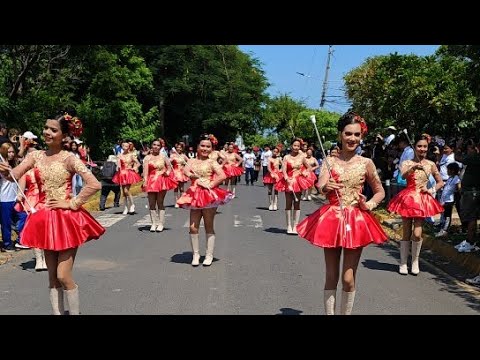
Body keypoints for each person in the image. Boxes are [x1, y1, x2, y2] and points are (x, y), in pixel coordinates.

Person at [0, 113, 105, 315]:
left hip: (67, 221)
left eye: (53, 129)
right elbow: (15, 175)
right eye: (46, 128)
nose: (47, 132)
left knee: (64, 275)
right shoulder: (35, 156)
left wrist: (72, 203)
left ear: (64, 135)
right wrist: (6, 171)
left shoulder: (70, 159)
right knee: (52, 277)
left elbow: (94, 184)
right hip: (46, 219)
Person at [296, 112, 388, 315]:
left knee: (348, 278)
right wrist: (325, 187)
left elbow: (380, 192)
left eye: (356, 134)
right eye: (348, 134)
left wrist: (369, 205)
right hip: (331, 219)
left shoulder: (366, 163)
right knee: (331, 275)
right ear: (341, 135)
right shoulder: (331, 161)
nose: (352, 138)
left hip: (355, 220)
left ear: (361, 136)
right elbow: (319, 184)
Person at [388, 134, 444, 276]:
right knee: (406, 231)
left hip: (422, 200)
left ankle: (415, 261)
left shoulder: (431, 164)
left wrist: (431, 190)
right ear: (415, 147)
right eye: (419, 146)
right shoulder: (407, 162)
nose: (422, 149)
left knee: (417, 233)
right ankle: (402, 262)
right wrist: (413, 168)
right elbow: (403, 176)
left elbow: (440, 182)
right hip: (408, 198)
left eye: (424, 146)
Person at [177, 134, 232, 266]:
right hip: (194, 194)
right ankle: (195, 255)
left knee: (208, 225)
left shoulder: (212, 162)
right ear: (197, 147)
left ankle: (209, 255)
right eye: (202, 146)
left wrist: (210, 184)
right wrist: (193, 176)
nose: (205, 148)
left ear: (211, 149)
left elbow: (222, 175)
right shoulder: (191, 161)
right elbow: (185, 170)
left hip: (208, 194)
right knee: (193, 227)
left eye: (208, 146)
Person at [275, 138, 315, 234]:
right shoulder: (286, 157)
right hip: (288, 181)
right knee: (288, 203)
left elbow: (309, 167)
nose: (296, 147)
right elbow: (283, 169)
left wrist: (305, 172)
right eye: (294, 145)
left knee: (297, 203)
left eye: (298, 146)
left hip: (298, 181)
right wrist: (286, 178)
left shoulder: (302, 157)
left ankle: (296, 226)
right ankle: (288, 226)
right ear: (291, 146)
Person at [143, 140, 177, 232]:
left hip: (161, 180)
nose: (156, 146)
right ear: (151, 146)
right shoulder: (147, 158)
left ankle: (161, 223)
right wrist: (145, 181)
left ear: (160, 147)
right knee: (151, 203)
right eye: (154, 145)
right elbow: (145, 172)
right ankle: (154, 223)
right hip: (151, 181)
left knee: (160, 202)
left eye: (158, 145)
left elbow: (170, 167)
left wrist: (167, 172)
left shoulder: (163, 156)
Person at [112, 141, 142, 214]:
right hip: (121, 173)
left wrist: (134, 168)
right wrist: (117, 165)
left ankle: (132, 204)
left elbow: (138, 163)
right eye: (123, 146)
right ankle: (125, 207)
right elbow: (118, 164)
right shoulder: (120, 155)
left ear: (128, 147)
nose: (124, 147)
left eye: (126, 146)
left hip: (128, 173)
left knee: (126, 190)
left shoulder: (131, 155)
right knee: (123, 192)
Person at [262, 146, 282, 211]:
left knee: (276, 190)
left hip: (277, 175)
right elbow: (269, 168)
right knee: (270, 190)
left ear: (278, 153)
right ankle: (271, 203)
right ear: (272, 151)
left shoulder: (279, 159)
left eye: (276, 152)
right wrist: (272, 173)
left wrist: (280, 171)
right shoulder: (269, 159)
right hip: (270, 175)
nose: (275, 153)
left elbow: (283, 165)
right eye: (274, 151)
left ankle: (275, 204)